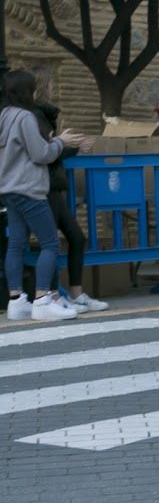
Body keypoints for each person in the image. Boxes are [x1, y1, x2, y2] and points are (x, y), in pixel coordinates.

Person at [2, 70, 91, 322]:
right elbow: (42, 154)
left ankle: (16, 301)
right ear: (27, 92)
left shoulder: (3, 116)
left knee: (16, 243)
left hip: (8, 190)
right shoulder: (25, 117)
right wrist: (61, 141)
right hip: (29, 188)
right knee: (50, 243)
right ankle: (42, 299)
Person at [35, 97, 107, 314]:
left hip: (53, 189)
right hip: (43, 190)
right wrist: (66, 145)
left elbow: (50, 153)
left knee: (76, 238)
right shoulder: (34, 121)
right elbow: (46, 155)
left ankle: (75, 294)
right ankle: (50, 296)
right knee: (51, 243)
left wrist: (70, 146)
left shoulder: (38, 120)